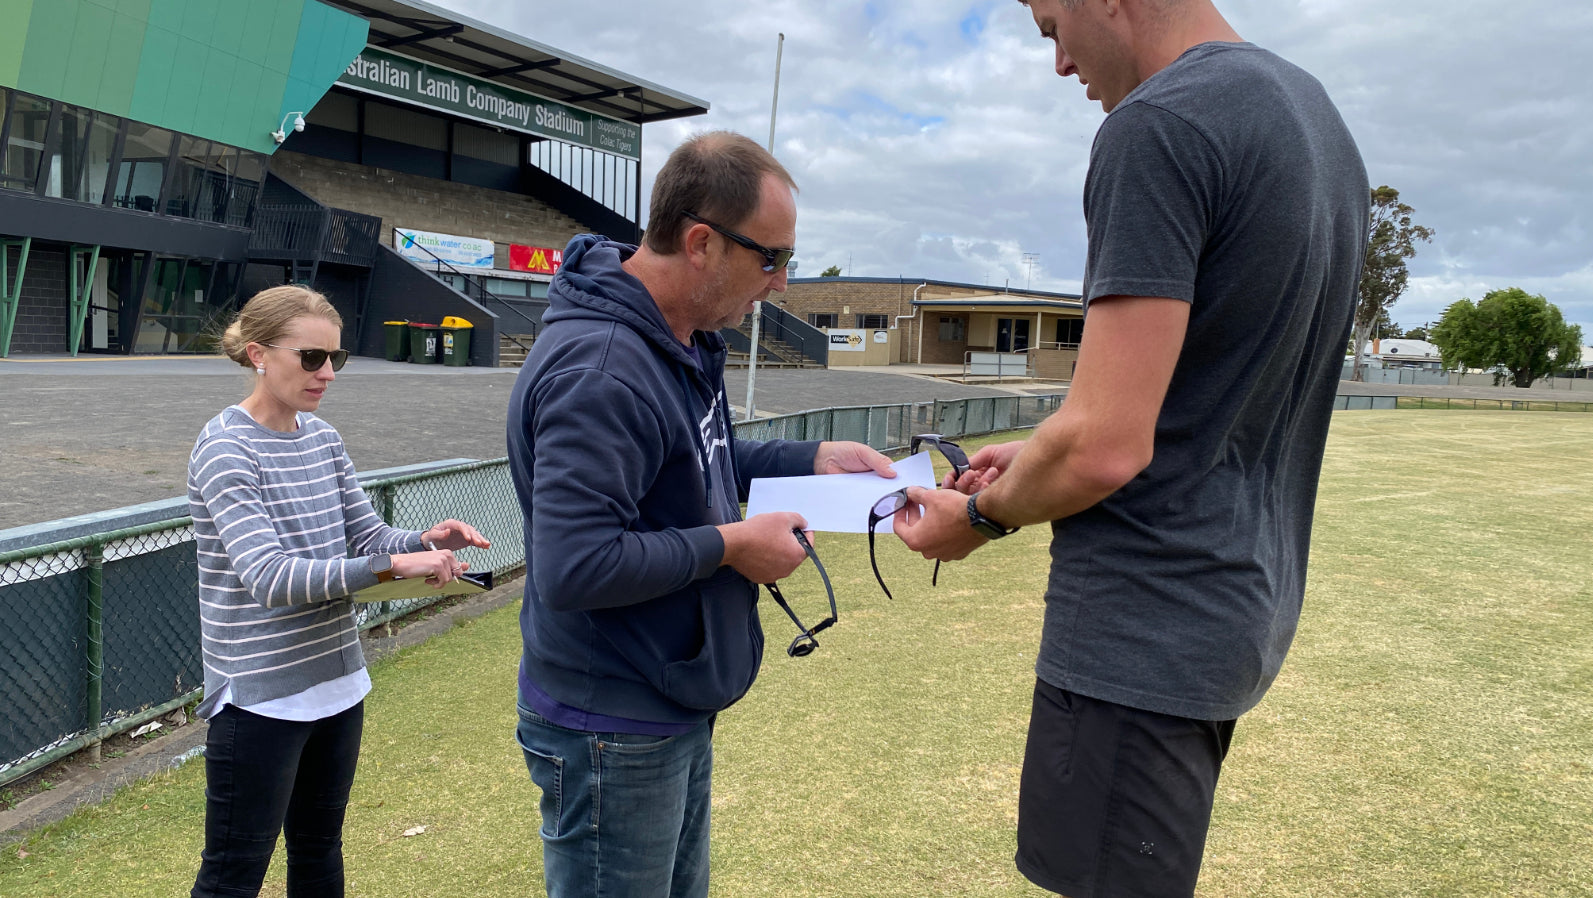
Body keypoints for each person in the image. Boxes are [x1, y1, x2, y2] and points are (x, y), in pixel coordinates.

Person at [893, 2, 1369, 895]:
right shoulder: (1314, 120)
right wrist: (1041, 450)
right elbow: (1195, 397)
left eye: (1051, 27)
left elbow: (1105, 447)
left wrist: (981, 517)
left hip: (1141, 627)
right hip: (1234, 609)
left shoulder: (1158, 124)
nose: (1059, 63)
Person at [506, 131, 894, 898]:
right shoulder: (603, 369)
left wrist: (812, 458)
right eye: (772, 259)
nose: (782, 283)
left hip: (666, 698)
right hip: (610, 723)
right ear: (701, 243)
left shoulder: (679, 334)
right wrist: (731, 546)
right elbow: (575, 566)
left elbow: (696, 460)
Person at [188, 285, 490, 898]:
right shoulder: (225, 448)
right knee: (231, 877)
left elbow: (366, 536)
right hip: (261, 698)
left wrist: (421, 540)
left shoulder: (323, 438)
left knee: (320, 851)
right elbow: (270, 577)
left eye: (336, 358)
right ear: (258, 354)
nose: (327, 373)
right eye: (311, 358)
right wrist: (393, 566)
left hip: (338, 682)